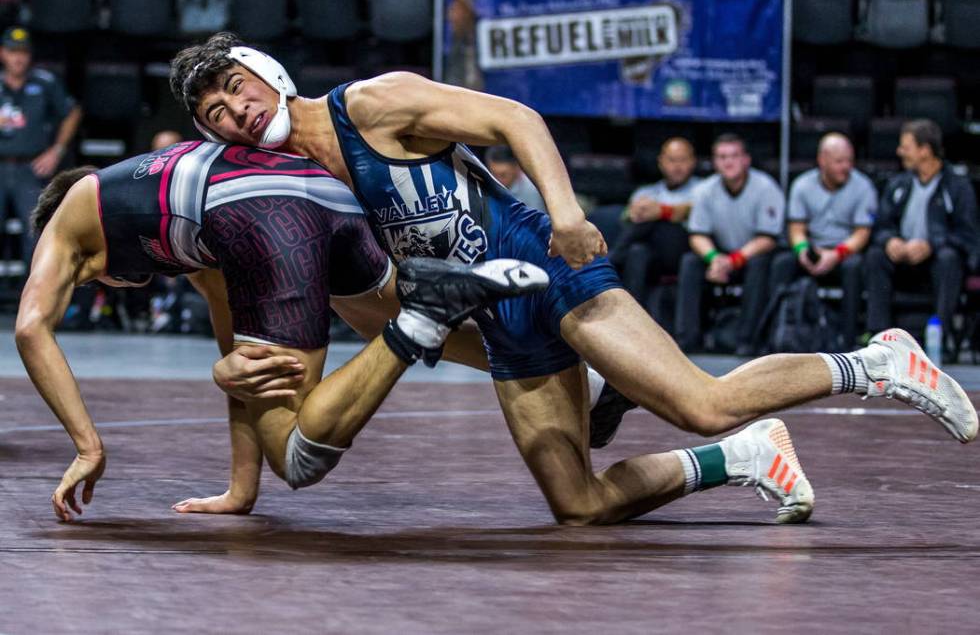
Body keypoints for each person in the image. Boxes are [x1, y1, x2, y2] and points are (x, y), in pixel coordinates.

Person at [170, 34, 977, 526]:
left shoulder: (372, 105)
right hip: (502, 315)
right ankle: (746, 457)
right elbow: (373, 297)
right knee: (578, 505)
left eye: (234, 90)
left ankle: (877, 363)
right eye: (213, 116)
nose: (233, 112)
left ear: (266, 74)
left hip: (547, 263)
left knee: (698, 400)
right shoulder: (308, 187)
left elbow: (516, 119)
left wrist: (561, 212)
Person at [17, 140, 547, 521]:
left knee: (297, 454)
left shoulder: (71, 216)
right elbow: (242, 354)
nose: (131, 281)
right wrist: (240, 491)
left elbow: (30, 329)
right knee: (367, 317)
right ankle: (585, 378)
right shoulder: (174, 225)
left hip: (261, 212)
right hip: (323, 194)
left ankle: (421, 314)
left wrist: (88, 448)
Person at [864, 119, 980, 357]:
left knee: (949, 258)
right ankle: (880, 340)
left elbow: (969, 237)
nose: (899, 152)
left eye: (905, 147)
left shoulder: (958, 187)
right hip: (902, 260)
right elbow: (880, 226)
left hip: (937, 264)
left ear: (925, 150)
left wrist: (931, 245)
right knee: (875, 255)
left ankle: (941, 336)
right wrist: (890, 240)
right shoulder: (898, 184)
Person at [676, 134, 784, 356]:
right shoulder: (704, 190)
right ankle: (687, 339)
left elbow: (768, 238)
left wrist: (734, 260)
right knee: (690, 262)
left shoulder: (766, 187)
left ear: (746, 160)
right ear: (715, 162)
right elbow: (697, 234)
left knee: (760, 264)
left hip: (752, 255)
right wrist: (714, 259)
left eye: (734, 156)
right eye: (722, 157)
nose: (728, 162)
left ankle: (747, 340)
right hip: (721, 255)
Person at [769, 133, 877, 350]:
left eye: (849, 160)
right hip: (813, 249)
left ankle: (847, 341)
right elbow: (796, 228)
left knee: (854, 267)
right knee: (782, 262)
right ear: (822, 160)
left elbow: (862, 233)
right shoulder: (802, 185)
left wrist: (836, 254)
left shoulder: (863, 186)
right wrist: (802, 250)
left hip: (845, 252)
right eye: (839, 161)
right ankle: (775, 334)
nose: (846, 166)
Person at [0, 25, 81, 271]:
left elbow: (72, 112)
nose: (18, 57)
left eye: (23, 52)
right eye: (13, 51)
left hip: (30, 168)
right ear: (2, 53)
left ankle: (32, 300)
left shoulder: (45, 82)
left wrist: (56, 150)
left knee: (36, 236)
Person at [608, 137, 700, 319]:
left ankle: (609, 262)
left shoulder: (703, 189)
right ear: (661, 162)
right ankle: (633, 320)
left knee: (651, 222)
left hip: (684, 251)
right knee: (637, 251)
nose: (677, 166)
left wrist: (661, 211)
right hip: (653, 257)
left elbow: (689, 210)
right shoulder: (646, 192)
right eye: (672, 160)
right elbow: (626, 218)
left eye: (683, 160)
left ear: (693, 162)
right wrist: (632, 213)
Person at [484, 144, 546, 212]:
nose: (497, 180)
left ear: (517, 168)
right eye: (493, 174)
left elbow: (536, 221)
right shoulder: (485, 183)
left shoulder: (532, 190)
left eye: (503, 175)